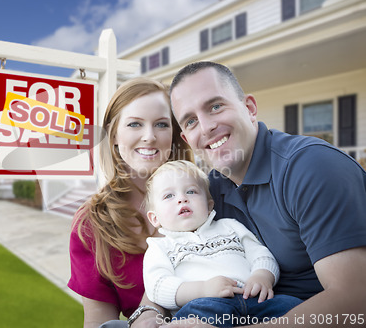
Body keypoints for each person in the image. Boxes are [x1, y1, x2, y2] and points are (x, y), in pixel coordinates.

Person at [158, 61, 366, 327]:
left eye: (215, 106)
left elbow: (355, 299)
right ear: (187, 138)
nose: (206, 126)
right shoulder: (208, 193)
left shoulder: (312, 167)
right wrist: (148, 312)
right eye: (191, 121)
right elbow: (168, 251)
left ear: (249, 108)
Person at [68, 77, 193, 327]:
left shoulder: (205, 196)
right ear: (113, 135)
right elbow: (99, 322)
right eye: (135, 124)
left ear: (174, 134)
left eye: (161, 124)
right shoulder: (92, 224)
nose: (149, 136)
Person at [143, 160, 301, 327]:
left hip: (254, 299)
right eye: (169, 196)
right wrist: (203, 289)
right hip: (205, 305)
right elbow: (158, 286)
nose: (182, 199)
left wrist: (262, 275)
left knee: (293, 307)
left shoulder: (230, 226)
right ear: (155, 218)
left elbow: (260, 253)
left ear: (209, 205)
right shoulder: (159, 247)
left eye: (191, 191)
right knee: (189, 321)